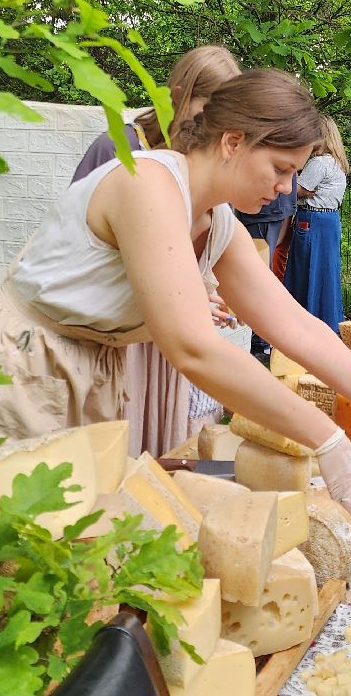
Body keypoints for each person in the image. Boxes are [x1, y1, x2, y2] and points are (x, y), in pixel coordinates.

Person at [0, 69, 351, 537]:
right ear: (232, 141)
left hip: (86, 371)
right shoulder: (149, 184)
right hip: (18, 368)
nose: (288, 189)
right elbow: (192, 347)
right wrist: (326, 437)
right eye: (280, 168)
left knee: (65, 560)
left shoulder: (217, 220)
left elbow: (299, 327)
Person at [66, 45, 242, 453]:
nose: (213, 123)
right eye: (206, 107)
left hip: (162, 332)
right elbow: (97, 250)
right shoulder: (120, 147)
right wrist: (188, 293)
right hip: (113, 328)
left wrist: (202, 288)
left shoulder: (201, 156)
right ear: (178, 94)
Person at [69, 45, 241, 184]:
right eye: (211, 110)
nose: (220, 126)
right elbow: (70, 220)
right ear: (179, 97)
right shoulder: (117, 148)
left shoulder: (214, 165)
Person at [284, 115, 348, 331]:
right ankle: (329, 321)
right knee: (326, 272)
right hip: (330, 220)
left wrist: (286, 175)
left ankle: (303, 322)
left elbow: (300, 191)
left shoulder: (319, 163)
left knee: (305, 270)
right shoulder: (337, 162)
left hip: (311, 220)